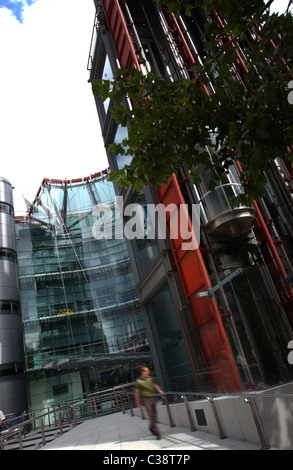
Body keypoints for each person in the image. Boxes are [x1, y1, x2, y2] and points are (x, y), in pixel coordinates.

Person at [135, 366, 164, 439]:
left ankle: (151, 427)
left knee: (154, 415)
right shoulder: (138, 381)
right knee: (151, 415)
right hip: (145, 399)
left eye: (148, 371)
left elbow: (154, 385)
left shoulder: (150, 379)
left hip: (152, 398)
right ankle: (157, 433)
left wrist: (159, 390)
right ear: (142, 372)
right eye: (146, 371)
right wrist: (138, 402)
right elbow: (137, 393)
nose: (148, 372)